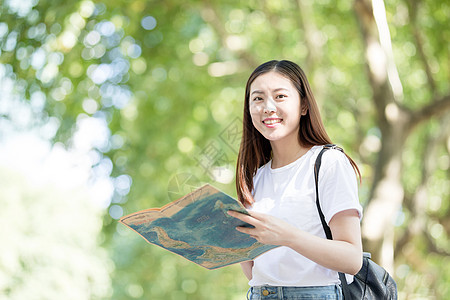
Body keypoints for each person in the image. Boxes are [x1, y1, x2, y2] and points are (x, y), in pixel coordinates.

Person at [227, 60, 363, 300]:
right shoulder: (255, 178)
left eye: (280, 96)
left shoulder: (328, 163)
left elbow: (352, 259)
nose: (268, 107)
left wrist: (287, 236)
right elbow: (254, 271)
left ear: (303, 106)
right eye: (257, 99)